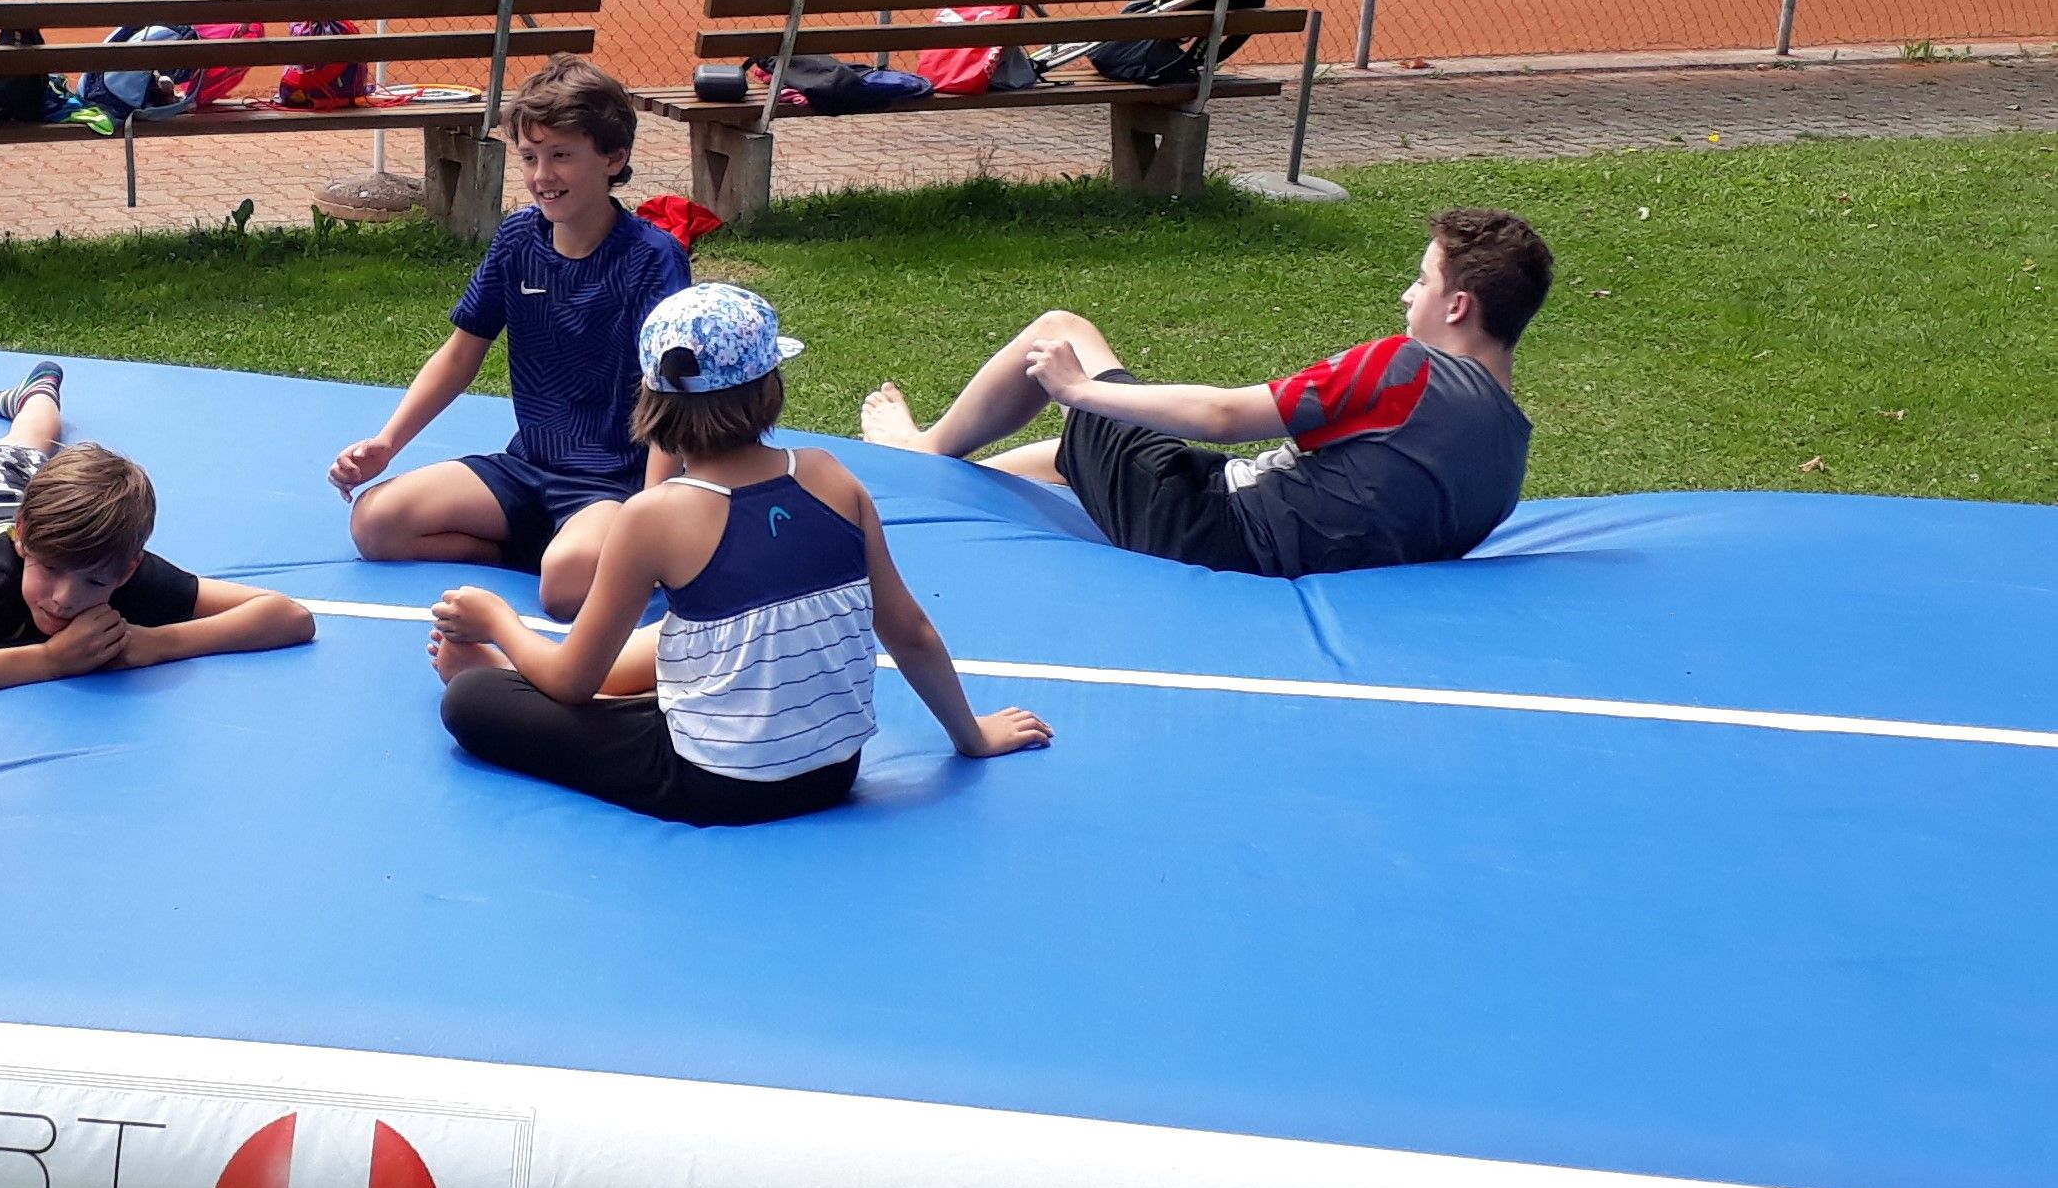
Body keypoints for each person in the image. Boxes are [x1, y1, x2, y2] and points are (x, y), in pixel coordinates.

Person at [430, 284, 1051, 825]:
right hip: (832, 771)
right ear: (770, 390)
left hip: (716, 784)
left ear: (649, 400)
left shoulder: (651, 517)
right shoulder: (830, 475)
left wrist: (498, 621)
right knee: (682, 636)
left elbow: (573, 682)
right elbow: (909, 630)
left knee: (472, 699)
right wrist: (971, 735)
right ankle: (583, 692)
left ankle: (504, 672)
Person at [858, 208, 1552, 578]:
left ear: (1457, 306)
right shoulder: (1508, 453)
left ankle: (919, 452)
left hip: (1209, 531)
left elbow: (1223, 414)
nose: (1407, 294)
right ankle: (946, 496)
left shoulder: (1407, 369)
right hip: (1269, 536)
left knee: (1060, 330)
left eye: (1423, 281)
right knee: (1071, 455)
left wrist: (1078, 388)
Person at [329, 60, 692, 617]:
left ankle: (582, 552)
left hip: (613, 484)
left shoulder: (653, 258)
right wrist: (387, 443)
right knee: (376, 524)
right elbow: (459, 355)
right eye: (529, 157)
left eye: (562, 155)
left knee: (565, 588)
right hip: (528, 467)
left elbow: (668, 391)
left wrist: (652, 512)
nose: (542, 174)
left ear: (614, 158)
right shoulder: (519, 238)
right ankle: (528, 551)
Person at [0, 355, 316, 694]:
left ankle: (38, 391)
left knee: (24, 450)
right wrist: (49, 661)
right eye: (50, 570)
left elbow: (289, 616)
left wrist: (159, 643)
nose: (63, 598)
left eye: (94, 582)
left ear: (128, 570)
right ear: (22, 538)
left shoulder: (111, 558)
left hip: (7, 484)